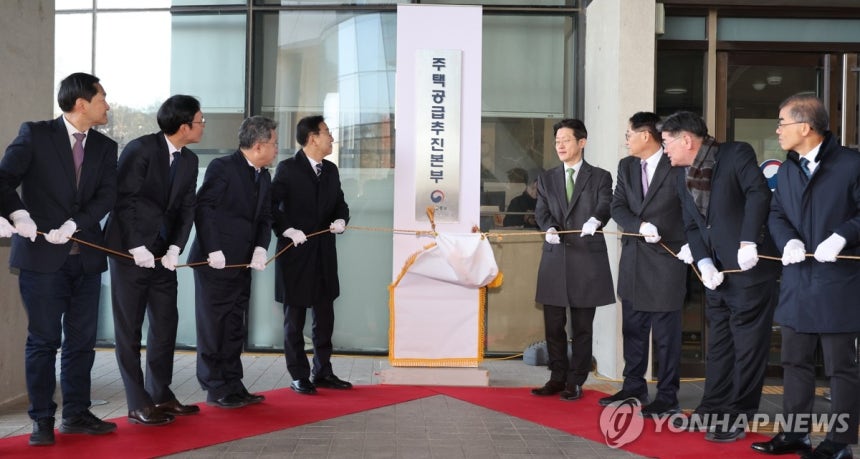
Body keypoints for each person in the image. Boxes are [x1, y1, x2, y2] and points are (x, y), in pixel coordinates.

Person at [0, 72, 118, 446]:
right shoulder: (36, 134)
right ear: (81, 103)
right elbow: (3, 179)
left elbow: (105, 197)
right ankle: (41, 419)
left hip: (86, 260)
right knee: (44, 340)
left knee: (82, 341)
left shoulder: (105, 147)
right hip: (41, 260)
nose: (107, 105)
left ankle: (77, 414)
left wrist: (75, 223)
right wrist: (18, 215)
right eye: (102, 98)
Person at [751, 94, 860, 458]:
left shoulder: (850, 164)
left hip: (838, 282)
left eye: (782, 122)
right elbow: (776, 213)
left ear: (805, 126)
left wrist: (843, 235)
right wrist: (789, 240)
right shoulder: (788, 169)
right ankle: (795, 435)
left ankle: (839, 442)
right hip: (799, 281)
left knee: (839, 368)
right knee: (794, 362)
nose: (778, 130)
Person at [661, 111, 779, 442]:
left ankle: (738, 415)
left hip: (749, 269)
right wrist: (703, 262)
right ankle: (711, 408)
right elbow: (692, 224)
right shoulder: (680, 176)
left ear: (687, 139)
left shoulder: (735, 153)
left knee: (748, 347)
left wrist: (747, 240)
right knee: (720, 346)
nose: (665, 149)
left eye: (667, 142)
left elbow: (759, 194)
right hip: (716, 275)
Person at [103, 95, 203, 426]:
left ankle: (160, 393)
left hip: (162, 254)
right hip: (129, 253)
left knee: (165, 324)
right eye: (200, 121)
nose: (203, 126)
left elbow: (187, 207)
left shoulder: (189, 160)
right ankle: (136, 401)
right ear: (184, 124)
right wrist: (136, 246)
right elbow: (124, 200)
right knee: (129, 328)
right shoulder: (142, 149)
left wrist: (176, 247)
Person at [187, 115, 276, 409]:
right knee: (214, 325)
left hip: (243, 264)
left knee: (235, 325)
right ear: (259, 145)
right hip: (214, 262)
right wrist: (213, 249)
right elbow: (204, 208)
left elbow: (265, 216)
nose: (277, 149)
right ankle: (214, 386)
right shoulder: (223, 167)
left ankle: (233, 384)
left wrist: (261, 248)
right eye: (274, 143)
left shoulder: (264, 175)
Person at [604, 112, 687, 417]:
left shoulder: (676, 164)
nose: (626, 140)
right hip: (635, 257)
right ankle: (633, 386)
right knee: (633, 329)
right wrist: (639, 226)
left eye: (629, 134)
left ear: (646, 136)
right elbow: (618, 206)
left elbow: (688, 206)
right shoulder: (627, 166)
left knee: (665, 336)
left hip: (667, 258)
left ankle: (667, 395)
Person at [531, 118, 614, 401]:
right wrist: (549, 228)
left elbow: (605, 204)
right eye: (557, 141)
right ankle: (556, 376)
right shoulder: (546, 178)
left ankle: (576, 380)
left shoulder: (600, 177)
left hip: (586, 259)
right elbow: (542, 211)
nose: (560, 145)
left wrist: (596, 219)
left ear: (582, 142)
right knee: (553, 325)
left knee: (582, 326)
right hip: (555, 258)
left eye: (566, 140)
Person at [271, 115, 351, 395]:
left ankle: (323, 371)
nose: (332, 137)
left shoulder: (330, 170)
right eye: (327, 132)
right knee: (295, 319)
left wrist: (342, 221)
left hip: (324, 253)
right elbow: (272, 207)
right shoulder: (288, 169)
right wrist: (288, 229)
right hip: (296, 253)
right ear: (312, 137)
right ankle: (299, 375)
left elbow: (341, 204)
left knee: (325, 315)